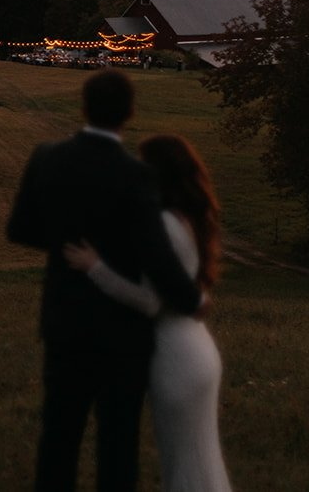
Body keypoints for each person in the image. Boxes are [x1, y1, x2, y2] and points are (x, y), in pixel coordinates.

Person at [7, 69, 204, 492]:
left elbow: (19, 229)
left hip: (64, 320)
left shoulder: (47, 157)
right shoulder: (136, 176)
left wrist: (66, 244)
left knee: (59, 436)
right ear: (129, 113)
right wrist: (191, 298)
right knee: (118, 444)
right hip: (122, 332)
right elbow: (156, 254)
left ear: (84, 106)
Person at [64, 135, 233, 492]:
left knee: (183, 467)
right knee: (202, 461)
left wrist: (95, 267)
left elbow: (150, 302)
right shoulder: (187, 219)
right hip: (196, 349)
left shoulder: (164, 226)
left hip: (174, 357)